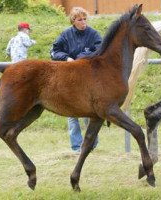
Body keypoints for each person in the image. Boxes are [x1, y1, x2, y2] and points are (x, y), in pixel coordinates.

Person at [50, 7, 102, 152]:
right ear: (73, 21)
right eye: (80, 20)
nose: (83, 22)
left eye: (85, 19)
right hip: (70, 80)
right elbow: (54, 51)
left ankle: (91, 145)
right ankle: (76, 147)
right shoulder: (65, 35)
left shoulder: (93, 34)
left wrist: (82, 58)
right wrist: (67, 58)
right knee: (72, 115)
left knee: (89, 112)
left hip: (89, 79)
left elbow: (100, 50)